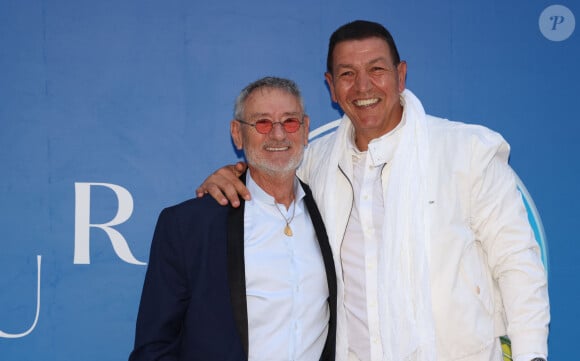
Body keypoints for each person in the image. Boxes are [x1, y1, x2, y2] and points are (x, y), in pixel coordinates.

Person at [196, 20, 550, 361]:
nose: (363, 87)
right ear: (331, 87)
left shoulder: (468, 151)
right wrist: (232, 174)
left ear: (401, 75)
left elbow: (516, 261)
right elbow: (268, 175)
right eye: (348, 74)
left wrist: (530, 353)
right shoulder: (313, 162)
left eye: (377, 70)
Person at [129, 77, 337, 361]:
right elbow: (154, 348)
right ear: (237, 134)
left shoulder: (332, 210)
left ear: (305, 130)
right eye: (262, 123)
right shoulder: (188, 226)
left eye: (290, 121)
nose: (278, 135)